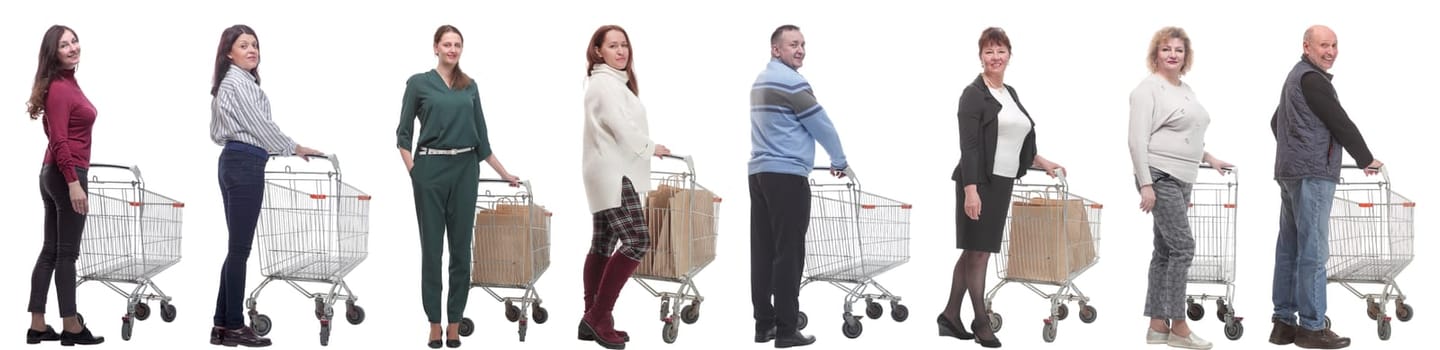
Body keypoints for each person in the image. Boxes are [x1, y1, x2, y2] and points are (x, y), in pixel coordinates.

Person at [396, 24, 521, 349]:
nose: (452, 49)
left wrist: (505, 172)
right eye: (447, 44)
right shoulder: (418, 83)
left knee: (462, 252)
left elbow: (482, 138)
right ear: (435, 47)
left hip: (466, 169)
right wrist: (415, 171)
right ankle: (434, 323)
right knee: (432, 251)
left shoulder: (470, 86)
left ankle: (455, 322)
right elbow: (403, 133)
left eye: (457, 45)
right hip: (430, 170)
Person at [943, 27, 1063, 349]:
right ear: (980, 56)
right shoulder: (973, 94)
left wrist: (1042, 161)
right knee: (979, 252)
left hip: (1003, 181)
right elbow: (969, 146)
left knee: (974, 249)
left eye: (1000, 51)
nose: (995, 57)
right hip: (980, 181)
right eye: (988, 52)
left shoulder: (1009, 91)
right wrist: (971, 190)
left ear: (1009, 54)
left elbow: (1017, 138)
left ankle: (950, 316)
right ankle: (980, 321)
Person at [208, 24, 324, 348]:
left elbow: (217, 131)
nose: (251, 50)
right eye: (243, 45)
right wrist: (293, 146)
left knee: (235, 249)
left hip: (234, 160)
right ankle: (233, 325)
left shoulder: (228, 83)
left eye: (254, 45)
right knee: (239, 250)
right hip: (244, 163)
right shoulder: (237, 82)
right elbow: (260, 125)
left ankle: (221, 325)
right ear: (228, 52)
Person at [1267, 25, 1380, 350]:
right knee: (1314, 252)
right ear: (1306, 47)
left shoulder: (1295, 78)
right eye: (1323, 46)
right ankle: (1313, 328)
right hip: (1313, 174)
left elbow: (1277, 122)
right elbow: (1339, 121)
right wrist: (1365, 158)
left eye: (1334, 45)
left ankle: (1283, 324)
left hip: (1289, 173)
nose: (1330, 51)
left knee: (1289, 249)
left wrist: (1296, 148)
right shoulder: (1313, 80)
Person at [748, 24, 853, 349]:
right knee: (789, 254)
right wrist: (839, 160)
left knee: (763, 252)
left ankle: (764, 324)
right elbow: (823, 125)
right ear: (775, 50)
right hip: (787, 178)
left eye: (803, 44)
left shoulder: (760, 82)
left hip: (759, 174)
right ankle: (786, 330)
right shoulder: (792, 83)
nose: (800, 50)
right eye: (793, 44)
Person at [1127, 26, 1231, 350]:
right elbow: (1136, 140)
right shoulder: (1147, 89)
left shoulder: (1186, 89)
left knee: (1165, 251)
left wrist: (1207, 156)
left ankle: (1157, 325)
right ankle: (1180, 327)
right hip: (1160, 175)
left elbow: (1185, 132)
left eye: (1179, 50)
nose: (1173, 54)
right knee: (1184, 247)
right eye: (1166, 49)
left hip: (1184, 176)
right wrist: (1146, 184)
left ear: (1186, 56)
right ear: (1155, 54)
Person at [577, 24, 668, 350]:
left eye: (624, 45)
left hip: (608, 170)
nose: (621, 51)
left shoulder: (612, 82)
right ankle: (599, 315)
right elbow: (619, 126)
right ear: (598, 50)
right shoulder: (604, 84)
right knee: (637, 240)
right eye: (613, 46)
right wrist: (651, 147)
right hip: (613, 173)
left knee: (603, 243)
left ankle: (592, 315)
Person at [25, 24, 105, 347]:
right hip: (64, 173)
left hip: (54, 173)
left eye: (74, 41)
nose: (73, 48)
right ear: (53, 53)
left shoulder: (68, 83)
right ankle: (71, 326)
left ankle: (37, 325)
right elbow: (58, 139)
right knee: (66, 255)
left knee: (52, 250)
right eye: (64, 45)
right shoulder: (60, 87)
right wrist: (73, 182)